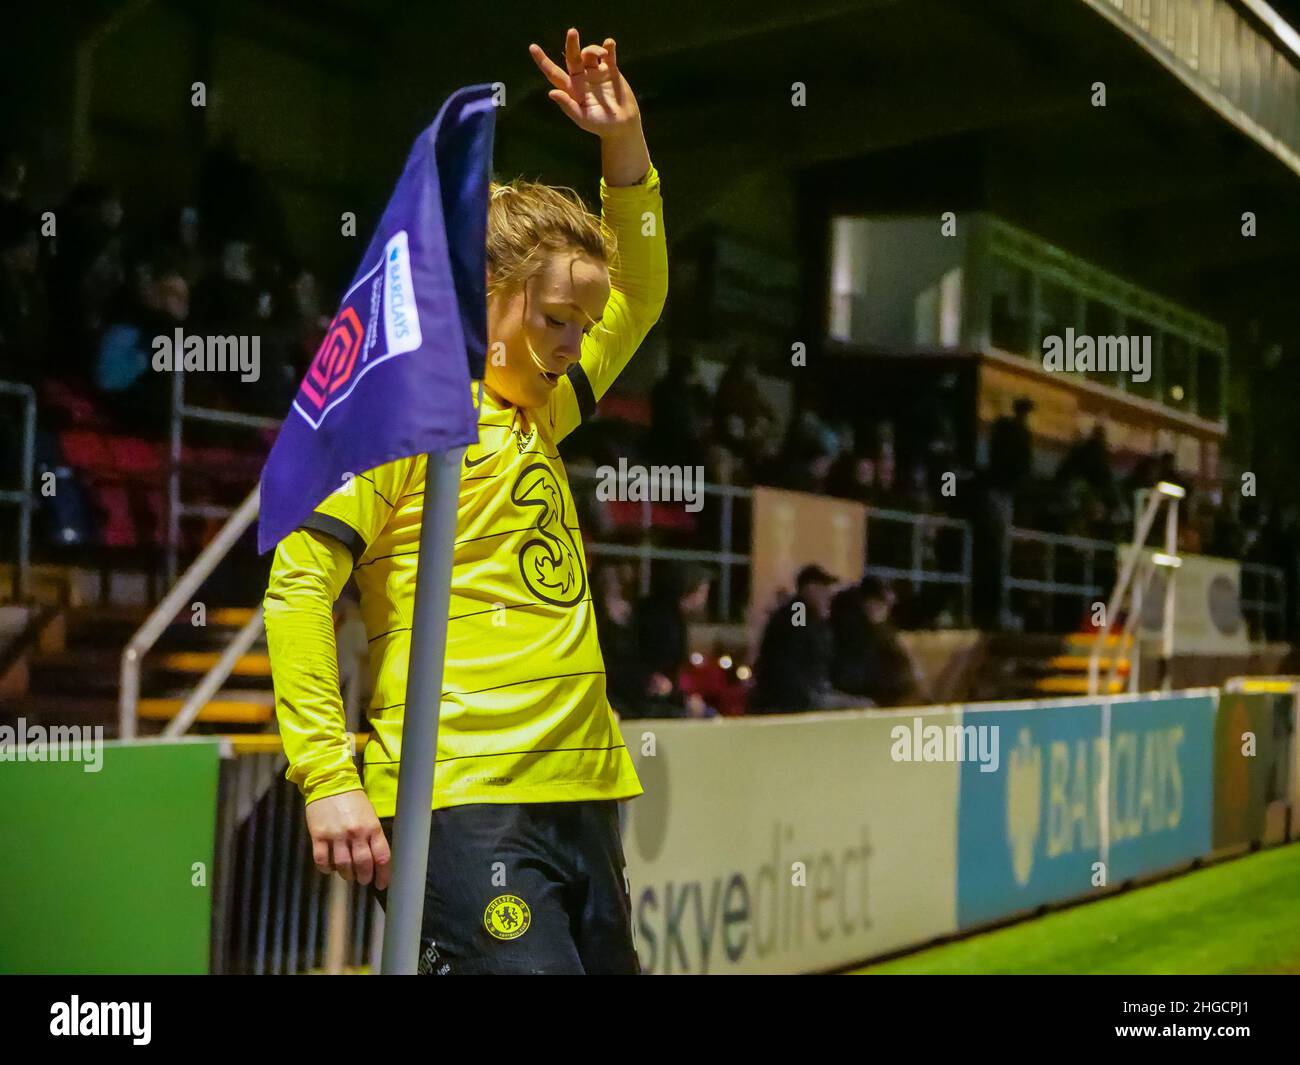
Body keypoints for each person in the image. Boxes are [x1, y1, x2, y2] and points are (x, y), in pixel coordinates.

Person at [263, 29, 665, 975]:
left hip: (585, 787)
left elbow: (639, 296)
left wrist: (626, 150)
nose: (574, 342)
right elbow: (296, 585)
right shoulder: (403, 427)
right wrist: (327, 775)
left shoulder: (543, 411)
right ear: (484, 298)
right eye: (554, 319)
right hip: (460, 794)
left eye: (581, 322)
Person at [750, 564, 861, 714]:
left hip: (808, 692)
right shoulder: (798, 610)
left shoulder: (812, 616)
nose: (828, 593)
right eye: (823, 588)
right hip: (792, 698)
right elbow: (794, 648)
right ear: (809, 589)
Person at [830, 576, 923, 707]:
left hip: (876, 685)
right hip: (860, 686)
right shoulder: (854, 623)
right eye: (883, 604)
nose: (887, 609)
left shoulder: (880, 626)